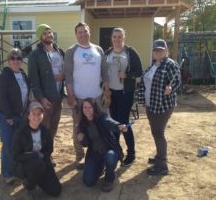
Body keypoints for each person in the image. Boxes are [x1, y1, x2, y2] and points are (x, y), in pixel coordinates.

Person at [64, 22, 110, 168]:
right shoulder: (71, 51)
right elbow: (68, 75)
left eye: (85, 31)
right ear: (76, 34)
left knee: (102, 124)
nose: (82, 34)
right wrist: (70, 95)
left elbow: (104, 72)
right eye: (79, 32)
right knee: (78, 127)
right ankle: (80, 155)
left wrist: (107, 94)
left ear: (89, 32)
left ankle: (103, 151)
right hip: (79, 97)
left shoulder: (98, 50)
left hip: (97, 96)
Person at [138, 39, 181, 175]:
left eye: (161, 50)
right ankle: (158, 157)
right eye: (156, 50)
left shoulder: (170, 65)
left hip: (163, 106)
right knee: (155, 132)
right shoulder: (152, 66)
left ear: (166, 51)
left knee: (158, 133)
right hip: (151, 105)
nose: (158, 52)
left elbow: (178, 83)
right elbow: (145, 84)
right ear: (153, 52)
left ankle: (162, 165)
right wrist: (143, 100)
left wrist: (171, 88)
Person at [105, 27, 143, 166]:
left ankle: (131, 153)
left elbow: (139, 71)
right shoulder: (107, 53)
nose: (117, 39)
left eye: (119, 37)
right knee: (114, 122)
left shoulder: (130, 52)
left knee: (123, 121)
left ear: (124, 37)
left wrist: (127, 75)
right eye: (115, 37)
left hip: (125, 92)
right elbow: (103, 72)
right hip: (112, 93)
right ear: (111, 38)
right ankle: (116, 151)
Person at [11, 102, 62, 198]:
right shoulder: (20, 132)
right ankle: (29, 186)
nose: (37, 116)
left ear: (42, 116)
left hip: (42, 162)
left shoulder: (45, 130)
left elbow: (49, 149)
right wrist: (33, 156)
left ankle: (38, 179)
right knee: (38, 164)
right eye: (33, 113)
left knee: (56, 190)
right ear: (28, 116)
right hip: (25, 165)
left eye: (39, 113)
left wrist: (43, 157)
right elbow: (15, 155)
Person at [77, 98, 127, 192]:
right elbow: (85, 144)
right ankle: (100, 166)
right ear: (82, 109)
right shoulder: (82, 124)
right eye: (85, 107)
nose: (87, 110)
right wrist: (81, 139)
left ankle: (109, 179)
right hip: (95, 153)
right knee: (88, 182)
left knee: (110, 157)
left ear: (94, 108)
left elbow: (110, 122)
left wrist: (118, 126)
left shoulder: (102, 117)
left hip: (109, 150)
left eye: (90, 107)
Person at [0, 48, 29, 184]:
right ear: (8, 61)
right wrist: (8, 116)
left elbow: (27, 95)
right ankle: (7, 173)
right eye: (12, 58)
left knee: (19, 145)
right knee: (9, 145)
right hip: (8, 117)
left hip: (21, 116)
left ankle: (16, 170)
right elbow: (2, 97)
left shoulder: (23, 75)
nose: (15, 61)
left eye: (18, 58)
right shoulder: (4, 76)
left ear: (21, 61)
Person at [28, 24, 64, 141]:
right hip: (45, 98)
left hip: (58, 97)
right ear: (40, 37)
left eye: (49, 32)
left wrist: (63, 75)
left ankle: (48, 152)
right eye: (44, 33)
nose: (48, 35)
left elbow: (67, 71)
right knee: (43, 127)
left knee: (54, 127)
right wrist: (41, 98)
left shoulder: (60, 52)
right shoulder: (35, 55)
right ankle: (41, 154)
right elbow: (33, 79)